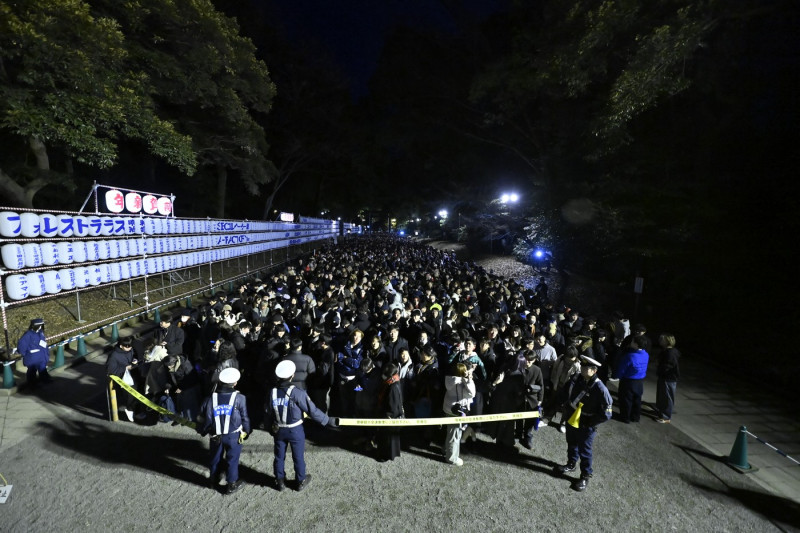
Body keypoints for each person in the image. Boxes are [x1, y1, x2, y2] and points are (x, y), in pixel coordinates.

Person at [265, 360, 338, 492]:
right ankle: (300, 480)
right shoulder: (298, 392)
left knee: (279, 456)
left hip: (279, 429)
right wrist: (327, 420)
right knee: (298, 456)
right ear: (292, 375)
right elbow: (312, 411)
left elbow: (268, 412)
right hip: (295, 429)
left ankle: (280, 481)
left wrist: (270, 427)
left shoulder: (272, 392)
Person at [553, 355, 613, 492]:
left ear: (594, 371)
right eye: (583, 367)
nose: (582, 369)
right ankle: (571, 463)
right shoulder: (577, 378)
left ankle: (585, 475)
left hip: (586, 421)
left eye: (586, 368)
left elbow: (607, 413)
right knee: (571, 441)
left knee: (585, 450)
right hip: (572, 416)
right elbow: (565, 392)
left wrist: (591, 422)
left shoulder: (600, 389)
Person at [198, 367, 251, 495]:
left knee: (215, 458)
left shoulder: (209, 399)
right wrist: (247, 431)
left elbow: (201, 418)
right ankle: (231, 484)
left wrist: (203, 431)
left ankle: (213, 480)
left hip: (215, 435)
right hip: (233, 436)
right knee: (232, 459)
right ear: (235, 383)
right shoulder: (240, 398)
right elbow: (245, 417)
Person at [442, 362, 475, 466]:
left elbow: (471, 393)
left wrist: (468, 380)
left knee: (451, 433)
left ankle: (447, 451)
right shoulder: (455, 381)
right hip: (456, 411)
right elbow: (471, 394)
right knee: (455, 435)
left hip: (452, 410)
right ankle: (452, 458)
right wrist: (467, 380)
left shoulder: (449, 379)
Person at [614, 336, 649, 423]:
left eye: (633, 341)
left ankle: (625, 417)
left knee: (626, 400)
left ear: (636, 344)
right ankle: (636, 417)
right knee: (637, 400)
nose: (631, 342)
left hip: (628, 381)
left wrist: (617, 376)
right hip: (640, 381)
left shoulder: (630, 356)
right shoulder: (646, 354)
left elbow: (622, 369)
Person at [106, 336, 139, 421]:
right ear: (121, 346)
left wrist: (135, 360)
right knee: (130, 395)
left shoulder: (130, 349)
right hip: (122, 377)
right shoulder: (114, 356)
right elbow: (111, 370)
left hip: (132, 374)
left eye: (131, 346)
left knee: (137, 392)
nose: (130, 348)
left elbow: (134, 355)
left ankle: (134, 409)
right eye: (127, 347)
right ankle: (130, 410)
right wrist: (125, 368)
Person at [376, 362, 404, 462]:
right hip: (395, 415)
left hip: (390, 417)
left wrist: (388, 415)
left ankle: (385, 455)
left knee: (386, 438)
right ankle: (391, 454)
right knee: (391, 438)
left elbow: (392, 404)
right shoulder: (395, 381)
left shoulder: (392, 387)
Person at [18, 318, 51, 389]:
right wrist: (25, 353)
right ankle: (32, 385)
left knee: (42, 369)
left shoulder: (40, 333)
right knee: (32, 371)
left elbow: (44, 344)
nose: (41, 327)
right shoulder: (28, 335)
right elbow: (22, 346)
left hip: (41, 356)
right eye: (40, 326)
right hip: (33, 357)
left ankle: (45, 380)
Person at [654, 333, 680, 423]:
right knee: (663, 396)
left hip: (668, 378)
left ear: (668, 341)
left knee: (667, 397)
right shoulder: (666, 351)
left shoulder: (670, 353)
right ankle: (662, 412)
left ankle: (666, 417)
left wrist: (659, 365)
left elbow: (668, 366)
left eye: (663, 339)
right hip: (664, 376)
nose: (660, 340)